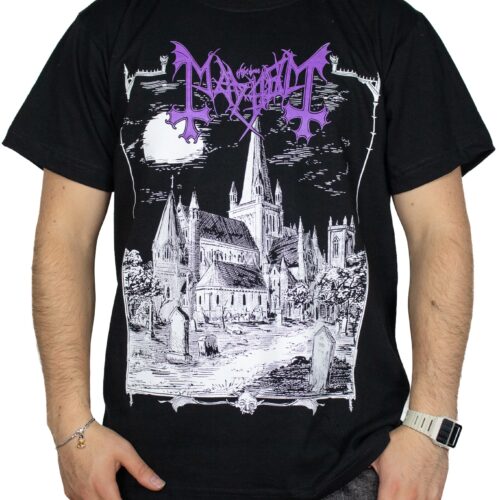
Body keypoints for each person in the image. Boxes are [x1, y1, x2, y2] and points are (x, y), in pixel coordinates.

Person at [3, 0, 494, 498]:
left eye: (266, 211)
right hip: (147, 474)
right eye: (257, 210)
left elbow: (438, 235)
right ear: (243, 205)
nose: (263, 217)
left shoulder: (389, 27)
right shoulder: (108, 28)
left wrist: (431, 429)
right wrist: (70, 429)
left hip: (349, 473)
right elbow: (65, 238)